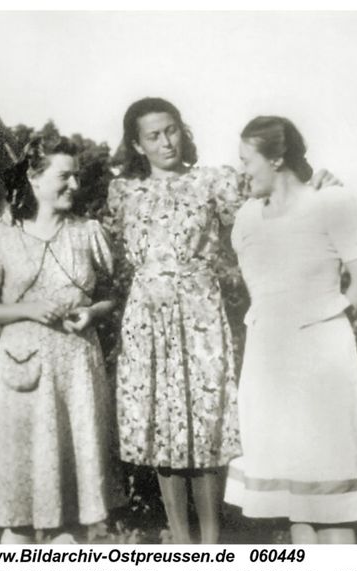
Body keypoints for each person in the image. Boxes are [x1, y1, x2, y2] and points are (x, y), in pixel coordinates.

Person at [223, 116, 357, 544]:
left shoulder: (333, 203)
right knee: (296, 505)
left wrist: (326, 329)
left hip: (322, 368)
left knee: (334, 506)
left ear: (276, 158)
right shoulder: (246, 218)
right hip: (267, 369)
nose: (241, 171)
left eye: (246, 160)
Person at [0, 135, 125, 544]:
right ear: (34, 179)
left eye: (76, 177)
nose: (74, 185)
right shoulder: (2, 239)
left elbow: (111, 295)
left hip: (76, 376)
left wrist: (93, 312)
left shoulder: (87, 233)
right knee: (18, 510)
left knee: (71, 512)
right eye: (64, 176)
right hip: (22, 378)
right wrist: (28, 309)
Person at [105, 98, 244, 544]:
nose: (166, 142)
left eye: (171, 130)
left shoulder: (213, 182)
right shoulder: (123, 192)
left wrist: (312, 182)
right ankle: (182, 544)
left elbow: (263, 212)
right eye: (154, 136)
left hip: (200, 309)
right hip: (147, 316)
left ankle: (211, 544)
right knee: (163, 424)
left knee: (205, 420)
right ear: (137, 145)